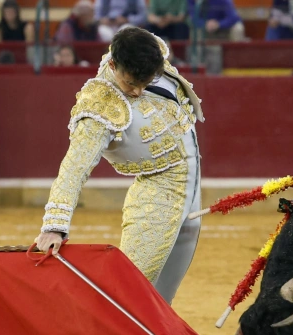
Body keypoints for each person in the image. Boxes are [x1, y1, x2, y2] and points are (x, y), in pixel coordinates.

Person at [35, 27, 205, 305]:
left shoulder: (149, 52)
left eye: (145, 82)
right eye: (130, 83)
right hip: (157, 193)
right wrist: (55, 225)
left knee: (162, 297)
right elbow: (74, 168)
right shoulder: (100, 105)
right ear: (113, 66)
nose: (138, 91)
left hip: (192, 185)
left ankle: (155, 331)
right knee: (128, 291)